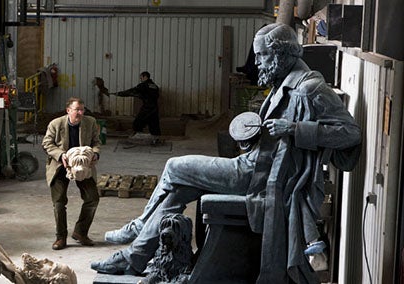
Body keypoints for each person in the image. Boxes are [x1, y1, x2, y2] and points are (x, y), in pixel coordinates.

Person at [90, 23, 361, 284]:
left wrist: (294, 128)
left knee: (175, 166)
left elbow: (350, 133)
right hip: (254, 166)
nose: (258, 64)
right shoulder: (283, 82)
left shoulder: (310, 88)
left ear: (280, 54)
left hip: (259, 178)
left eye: (262, 56)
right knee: (178, 191)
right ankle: (134, 257)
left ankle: (139, 226)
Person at [42, 97, 102, 250]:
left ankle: (80, 232)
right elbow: (47, 143)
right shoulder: (56, 124)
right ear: (68, 110)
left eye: (82, 110)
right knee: (59, 203)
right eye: (77, 110)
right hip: (60, 166)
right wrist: (61, 155)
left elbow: (96, 142)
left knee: (92, 198)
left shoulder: (90, 122)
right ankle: (60, 237)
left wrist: (94, 154)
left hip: (83, 166)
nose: (80, 113)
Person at [109, 71, 161, 144]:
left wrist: (119, 93)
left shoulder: (143, 85)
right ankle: (156, 139)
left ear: (145, 77)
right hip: (155, 108)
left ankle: (138, 138)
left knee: (138, 123)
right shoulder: (155, 86)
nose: (141, 79)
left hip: (147, 107)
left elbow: (132, 91)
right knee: (154, 124)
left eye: (141, 78)